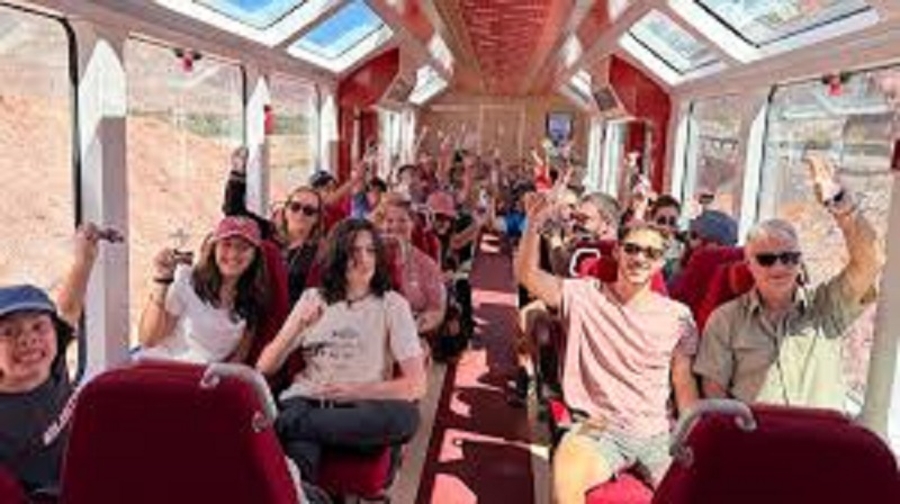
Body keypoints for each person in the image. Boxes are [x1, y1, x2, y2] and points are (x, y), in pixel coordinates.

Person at [515, 193, 698, 501]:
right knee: (566, 477)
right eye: (632, 249)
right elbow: (528, 275)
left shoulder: (678, 316)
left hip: (657, 430)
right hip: (597, 424)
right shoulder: (584, 295)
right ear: (617, 250)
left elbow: (683, 380)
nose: (640, 258)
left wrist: (693, 433)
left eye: (651, 253)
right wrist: (533, 222)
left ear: (660, 262)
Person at [693, 155, 883, 409]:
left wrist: (841, 205)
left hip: (821, 433)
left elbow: (871, 262)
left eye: (789, 258)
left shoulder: (826, 307)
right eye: (766, 259)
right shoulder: (725, 320)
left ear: (800, 261)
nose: (779, 267)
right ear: (748, 264)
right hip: (758, 433)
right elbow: (714, 395)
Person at [256, 219, 426, 482]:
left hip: (360, 409)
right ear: (337, 256)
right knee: (297, 482)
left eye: (370, 251)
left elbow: (416, 385)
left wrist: (355, 392)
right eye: (353, 251)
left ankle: (283, 425)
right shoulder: (313, 298)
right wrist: (297, 327)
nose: (364, 259)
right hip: (308, 398)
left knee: (407, 418)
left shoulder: (393, 305)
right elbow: (264, 368)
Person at [0, 223, 116, 493]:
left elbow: (70, 307)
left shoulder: (52, 361)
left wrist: (85, 256)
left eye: (38, 327)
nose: (28, 340)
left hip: (80, 467)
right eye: (8, 333)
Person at [137, 216, 269, 364]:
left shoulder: (253, 299)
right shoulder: (187, 280)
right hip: (165, 367)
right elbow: (149, 340)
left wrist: (221, 376)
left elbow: (239, 355)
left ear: (254, 256)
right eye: (226, 244)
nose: (233, 253)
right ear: (214, 249)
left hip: (205, 376)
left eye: (243, 247)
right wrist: (162, 279)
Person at [376, 194, 446, 338]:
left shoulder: (426, 264)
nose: (395, 226)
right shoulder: (369, 257)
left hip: (411, 336)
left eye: (402, 220)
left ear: (412, 224)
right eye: (389, 221)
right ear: (381, 225)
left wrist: (412, 329)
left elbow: (435, 309)